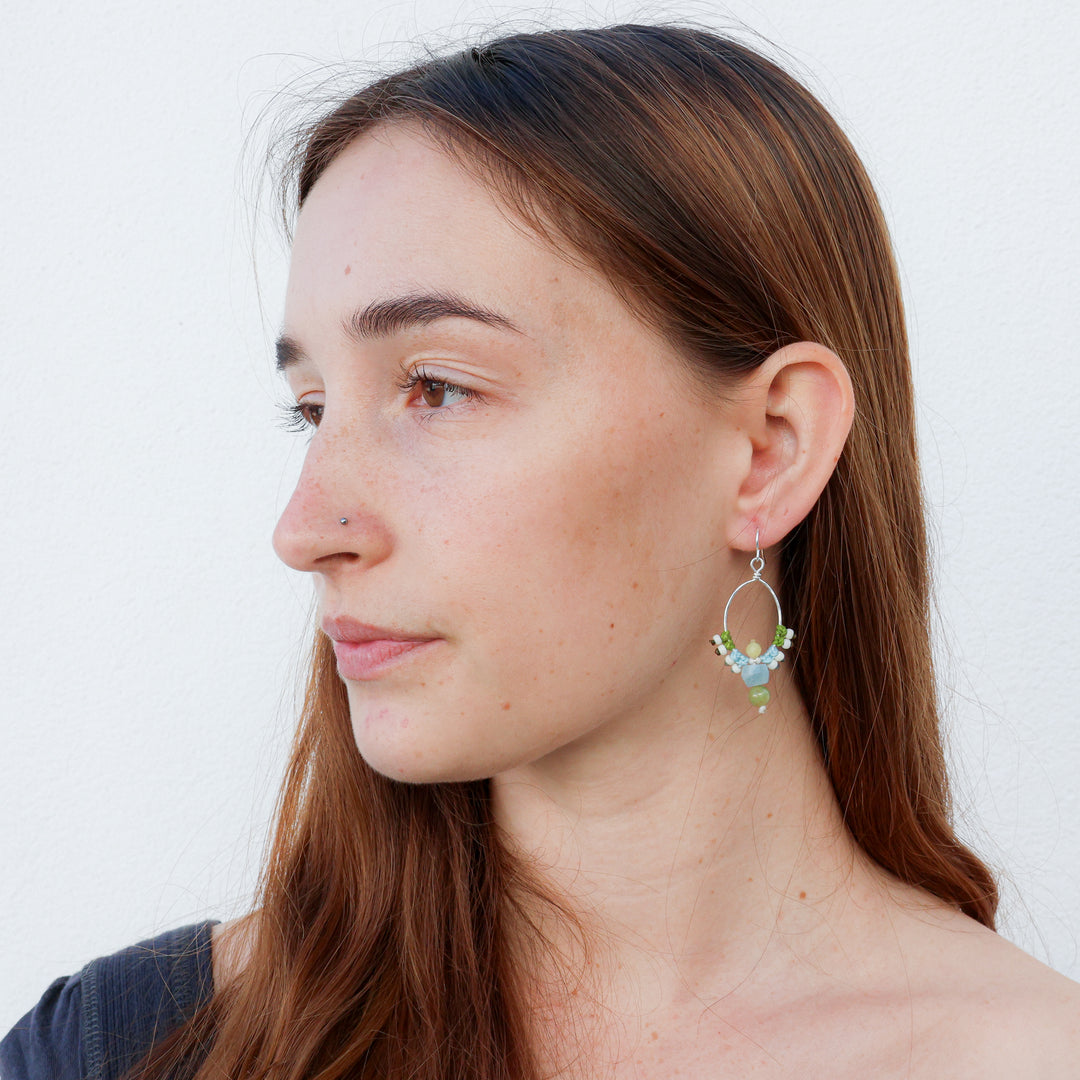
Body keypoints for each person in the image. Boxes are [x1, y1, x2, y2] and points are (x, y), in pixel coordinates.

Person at [3, 21, 1078, 1080]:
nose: (306, 529)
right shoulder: (132, 1048)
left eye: (437, 388)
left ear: (768, 452)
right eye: (312, 407)